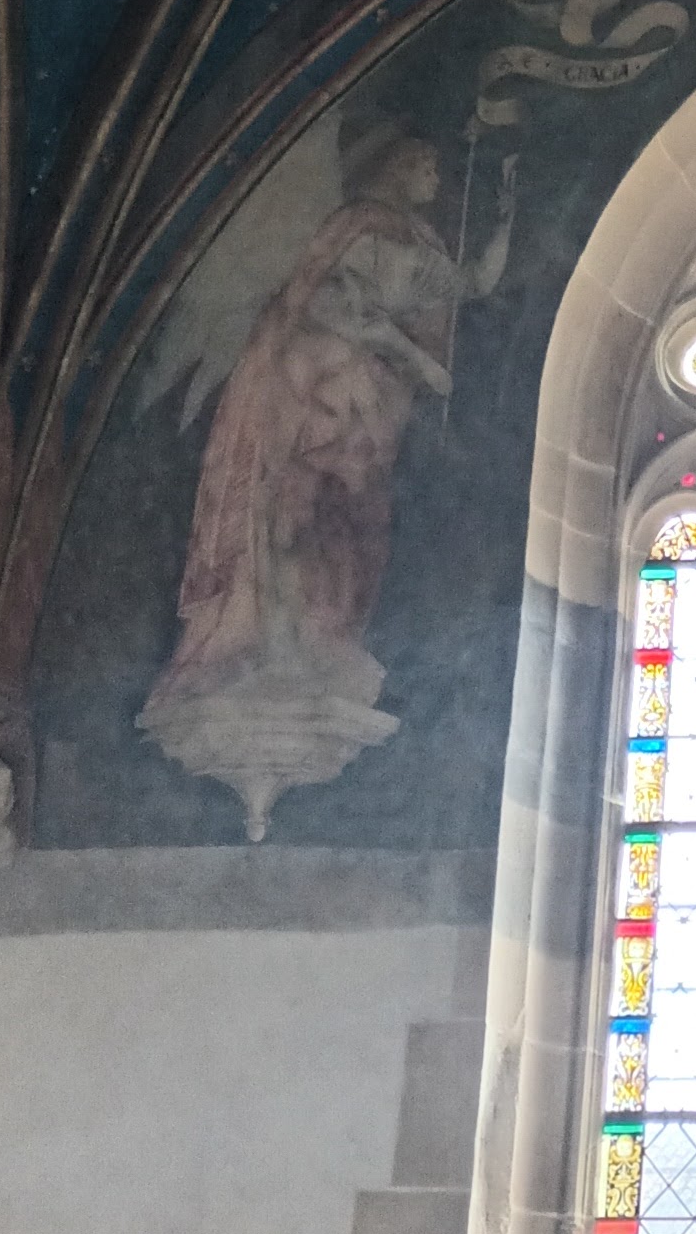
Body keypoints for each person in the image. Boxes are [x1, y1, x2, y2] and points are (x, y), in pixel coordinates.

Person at [143, 121, 516, 836]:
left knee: (353, 530)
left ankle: (322, 642)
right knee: (291, 513)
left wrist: (502, 216)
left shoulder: (421, 243)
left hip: (369, 406)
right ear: (394, 166)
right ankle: (269, 645)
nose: (435, 180)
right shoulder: (355, 230)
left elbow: (472, 285)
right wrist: (410, 355)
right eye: (425, 166)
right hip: (316, 388)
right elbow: (324, 305)